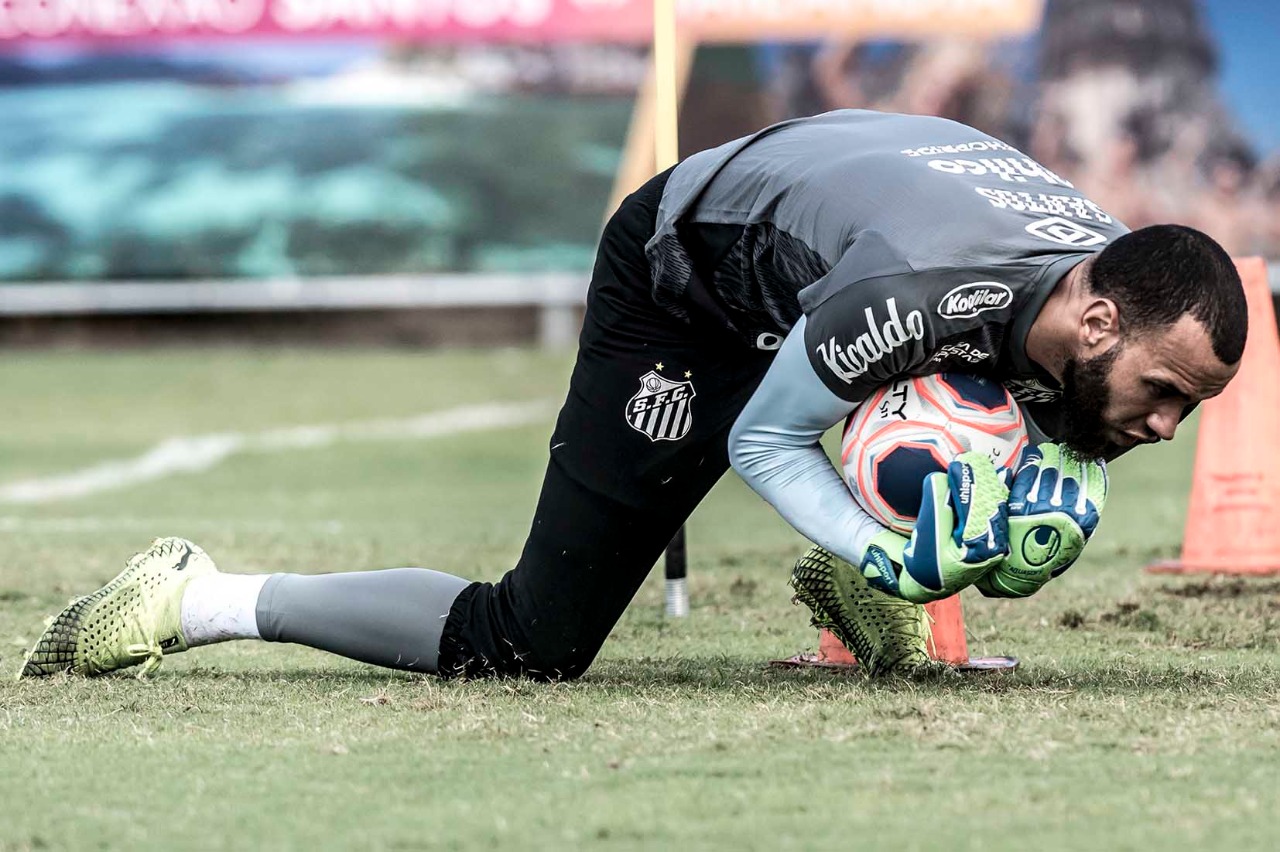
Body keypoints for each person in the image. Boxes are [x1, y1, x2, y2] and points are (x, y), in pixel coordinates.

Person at [19, 110, 1247, 682]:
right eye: (1162, 394)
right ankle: (198, 597)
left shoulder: (1096, 279)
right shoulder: (916, 295)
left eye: (1185, 410)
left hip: (835, 250)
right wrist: (888, 550)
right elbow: (767, 440)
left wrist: (1031, 527)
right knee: (526, 643)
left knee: (1015, 426)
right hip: (688, 281)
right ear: (1097, 320)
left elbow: (1059, 424)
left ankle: (856, 595)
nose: (1163, 428)